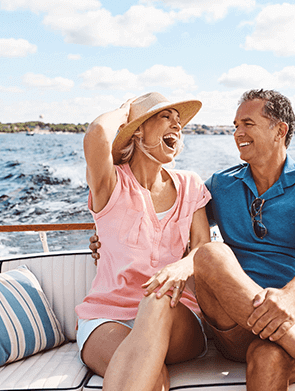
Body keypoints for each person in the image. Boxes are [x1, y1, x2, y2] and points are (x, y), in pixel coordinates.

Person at [90, 90, 295, 391]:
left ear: (280, 129)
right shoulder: (221, 185)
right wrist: (107, 237)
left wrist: (291, 297)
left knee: (268, 357)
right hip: (236, 323)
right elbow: (165, 217)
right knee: (210, 253)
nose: (237, 133)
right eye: (235, 125)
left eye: (247, 124)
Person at [76, 92, 212, 391]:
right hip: (108, 316)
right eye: (166, 117)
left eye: (179, 122)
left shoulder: (191, 184)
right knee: (151, 379)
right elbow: (97, 134)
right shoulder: (111, 184)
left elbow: (203, 245)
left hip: (177, 313)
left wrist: (182, 267)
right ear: (137, 130)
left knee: (158, 301)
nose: (177, 126)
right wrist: (126, 111)